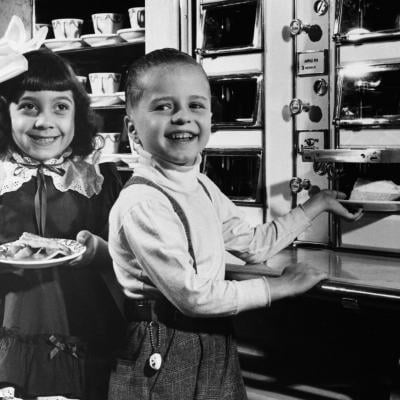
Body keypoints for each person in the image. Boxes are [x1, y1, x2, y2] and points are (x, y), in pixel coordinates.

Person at [107, 48, 363, 400]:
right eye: (164, 106)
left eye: (195, 105)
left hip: (214, 340)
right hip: (161, 346)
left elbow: (253, 245)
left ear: (211, 116)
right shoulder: (143, 203)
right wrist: (277, 288)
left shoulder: (200, 186)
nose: (182, 117)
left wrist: (314, 205)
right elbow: (194, 298)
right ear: (131, 127)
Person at [0, 48, 125, 399]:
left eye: (60, 107)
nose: (45, 121)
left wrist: (99, 251)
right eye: (29, 106)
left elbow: (129, 257)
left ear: (77, 115)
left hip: (84, 325)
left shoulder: (99, 181)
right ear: (4, 113)